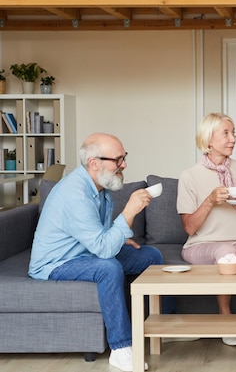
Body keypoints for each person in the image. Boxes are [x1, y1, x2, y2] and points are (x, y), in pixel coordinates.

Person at [29, 133, 165, 372]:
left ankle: (161, 326)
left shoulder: (101, 187)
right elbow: (103, 250)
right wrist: (130, 211)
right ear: (94, 163)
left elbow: (98, 236)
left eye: (124, 158)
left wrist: (120, 238)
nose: (124, 165)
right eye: (118, 159)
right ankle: (121, 348)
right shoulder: (75, 194)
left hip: (85, 252)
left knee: (150, 256)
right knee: (108, 268)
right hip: (58, 262)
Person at [177, 112, 236, 347]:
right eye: (225, 134)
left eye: (233, 133)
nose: (232, 139)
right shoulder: (189, 176)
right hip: (201, 245)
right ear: (208, 140)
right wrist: (209, 200)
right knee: (226, 250)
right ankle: (226, 319)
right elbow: (189, 227)